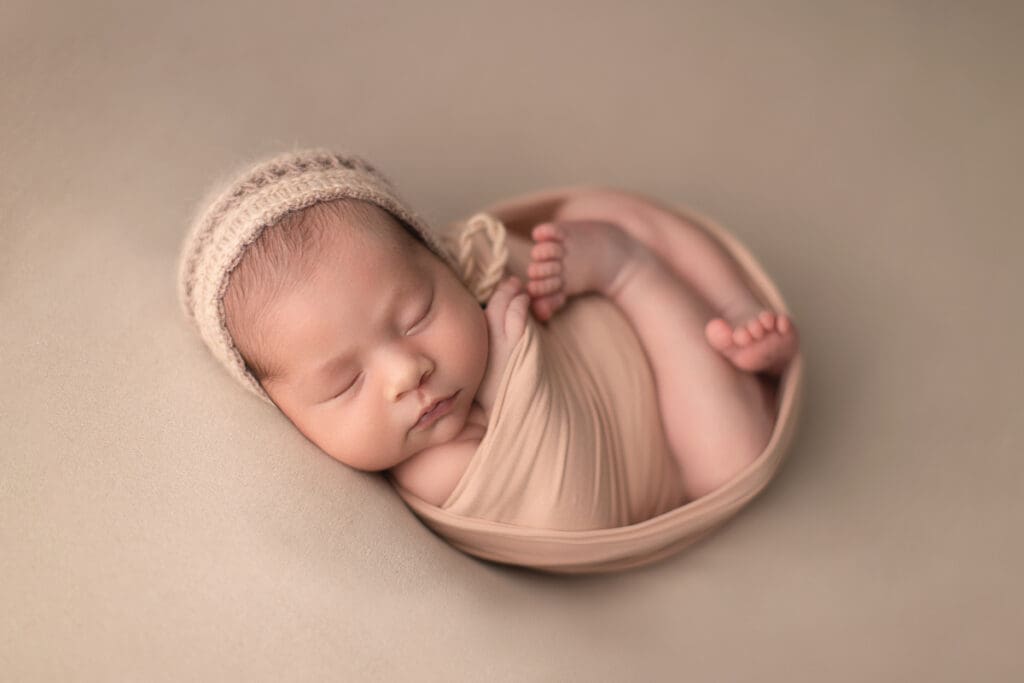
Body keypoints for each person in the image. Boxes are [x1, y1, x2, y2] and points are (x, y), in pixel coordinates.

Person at [179, 150, 799, 521]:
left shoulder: (477, 267)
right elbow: (577, 514)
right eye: (346, 382)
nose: (406, 372)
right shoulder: (436, 469)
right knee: (730, 459)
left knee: (590, 210)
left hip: (639, 333)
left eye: (417, 313)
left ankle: (736, 309)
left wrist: (553, 262)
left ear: (441, 260)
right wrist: (508, 369)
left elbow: (530, 259)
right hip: (680, 443)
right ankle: (633, 270)